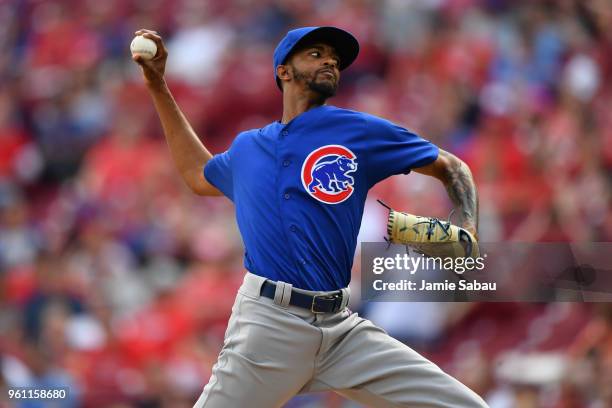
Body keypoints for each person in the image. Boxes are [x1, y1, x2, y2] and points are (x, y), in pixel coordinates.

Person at [132, 26, 487, 408]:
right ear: (284, 71)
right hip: (269, 325)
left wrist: (466, 224)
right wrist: (158, 85)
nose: (330, 60)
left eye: (334, 57)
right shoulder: (250, 147)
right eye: (315, 53)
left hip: (341, 328)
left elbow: (450, 166)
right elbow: (197, 176)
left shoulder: (358, 130)